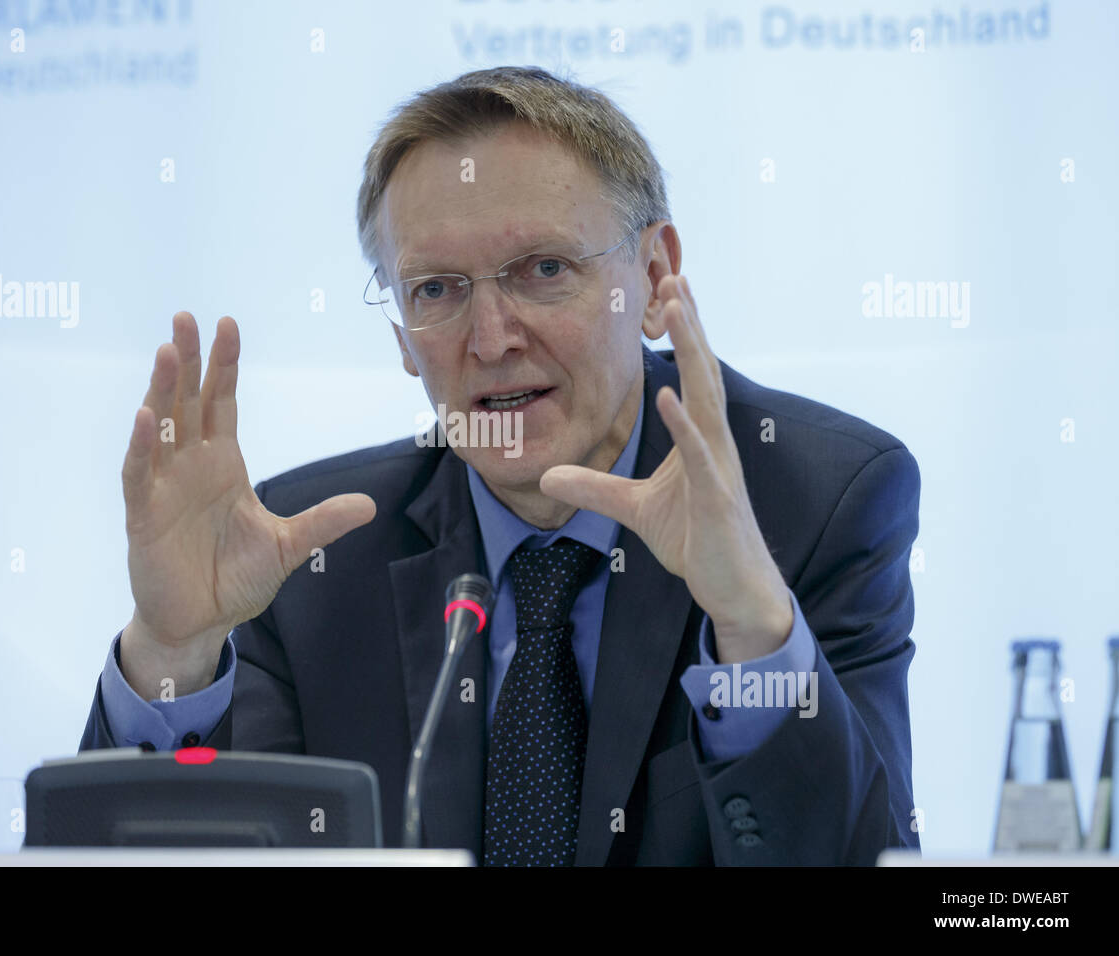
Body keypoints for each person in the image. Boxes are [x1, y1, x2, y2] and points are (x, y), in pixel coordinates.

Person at [79, 66, 922, 866]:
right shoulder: (306, 553)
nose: (490, 340)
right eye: (437, 290)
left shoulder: (815, 500)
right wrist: (175, 649)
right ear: (402, 336)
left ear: (656, 273)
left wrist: (752, 630)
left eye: (545, 271)